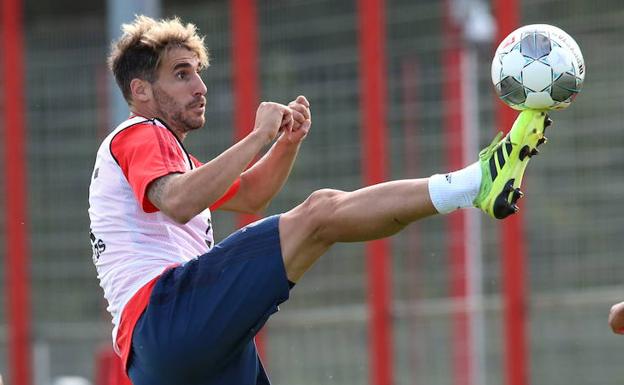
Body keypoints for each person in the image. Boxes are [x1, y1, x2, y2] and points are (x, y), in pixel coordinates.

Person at [88, 15, 551, 385]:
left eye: (198, 73)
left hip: (160, 358)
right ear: (141, 91)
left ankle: (473, 185)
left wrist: (284, 144)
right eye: (181, 74)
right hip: (166, 316)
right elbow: (178, 202)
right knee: (320, 212)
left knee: (321, 218)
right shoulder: (141, 134)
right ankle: (476, 182)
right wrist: (258, 136)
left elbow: (252, 193)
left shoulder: (174, 156)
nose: (200, 87)